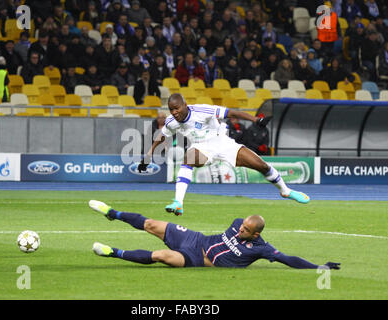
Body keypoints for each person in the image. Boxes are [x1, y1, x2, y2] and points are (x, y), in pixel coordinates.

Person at [138, 93, 310, 216]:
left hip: (223, 143)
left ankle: (285, 191)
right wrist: (149, 154)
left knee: (262, 166)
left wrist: (256, 120)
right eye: (171, 109)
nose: (174, 112)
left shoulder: (202, 111)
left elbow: (232, 113)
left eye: (176, 108)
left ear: (184, 105)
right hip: (201, 147)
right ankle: (178, 203)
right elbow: (162, 136)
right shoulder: (171, 121)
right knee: (188, 158)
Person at [88, 200, 340, 270]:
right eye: (241, 225)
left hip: (196, 260)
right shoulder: (235, 223)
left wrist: (319, 266)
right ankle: (113, 212)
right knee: (152, 224)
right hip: (195, 240)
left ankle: (113, 253)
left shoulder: (262, 249)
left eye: (245, 230)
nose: (240, 229)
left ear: (255, 235)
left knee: (162, 256)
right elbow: (235, 226)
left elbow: (287, 259)